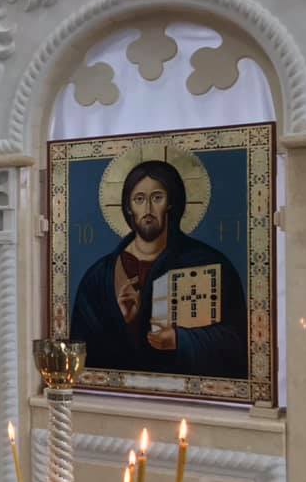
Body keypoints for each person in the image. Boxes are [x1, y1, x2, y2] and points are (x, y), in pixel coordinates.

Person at [70, 159, 248, 379]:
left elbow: (236, 342)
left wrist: (179, 340)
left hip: (187, 394)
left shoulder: (208, 263)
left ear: (171, 203)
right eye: (139, 199)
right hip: (114, 395)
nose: (148, 209)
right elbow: (82, 352)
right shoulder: (99, 276)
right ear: (128, 207)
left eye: (157, 198)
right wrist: (125, 322)